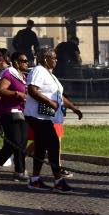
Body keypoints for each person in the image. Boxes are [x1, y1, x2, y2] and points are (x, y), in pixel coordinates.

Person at [24, 46, 83, 193]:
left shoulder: (50, 74)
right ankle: (58, 181)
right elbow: (32, 90)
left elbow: (59, 96)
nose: (56, 60)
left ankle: (35, 179)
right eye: (53, 58)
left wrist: (73, 108)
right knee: (54, 145)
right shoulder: (38, 71)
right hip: (37, 116)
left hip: (46, 117)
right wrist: (49, 102)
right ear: (45, 58)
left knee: (40, 147)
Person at [0, 51, 30, 181]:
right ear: (16, 62)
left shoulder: (23, 77)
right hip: (7, 111)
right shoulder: (9, 73)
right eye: (23, 61)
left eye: (26, 61)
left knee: (22, 140)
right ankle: (18, 170)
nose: (26, 63)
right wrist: (16, 94)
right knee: (15, 140)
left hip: (21, 111)